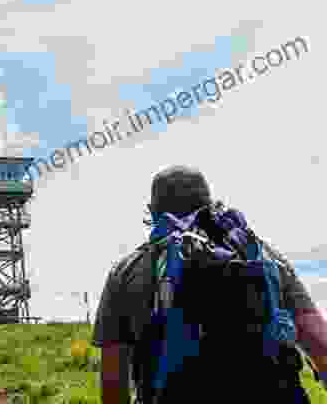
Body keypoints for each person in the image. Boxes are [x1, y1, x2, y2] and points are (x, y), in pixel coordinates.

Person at [92, 165, 327, 404]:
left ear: (152, 212)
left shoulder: (126, 272)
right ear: (210, 202)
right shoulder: (262, 256)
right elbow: (320, 345)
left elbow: (114, 384)